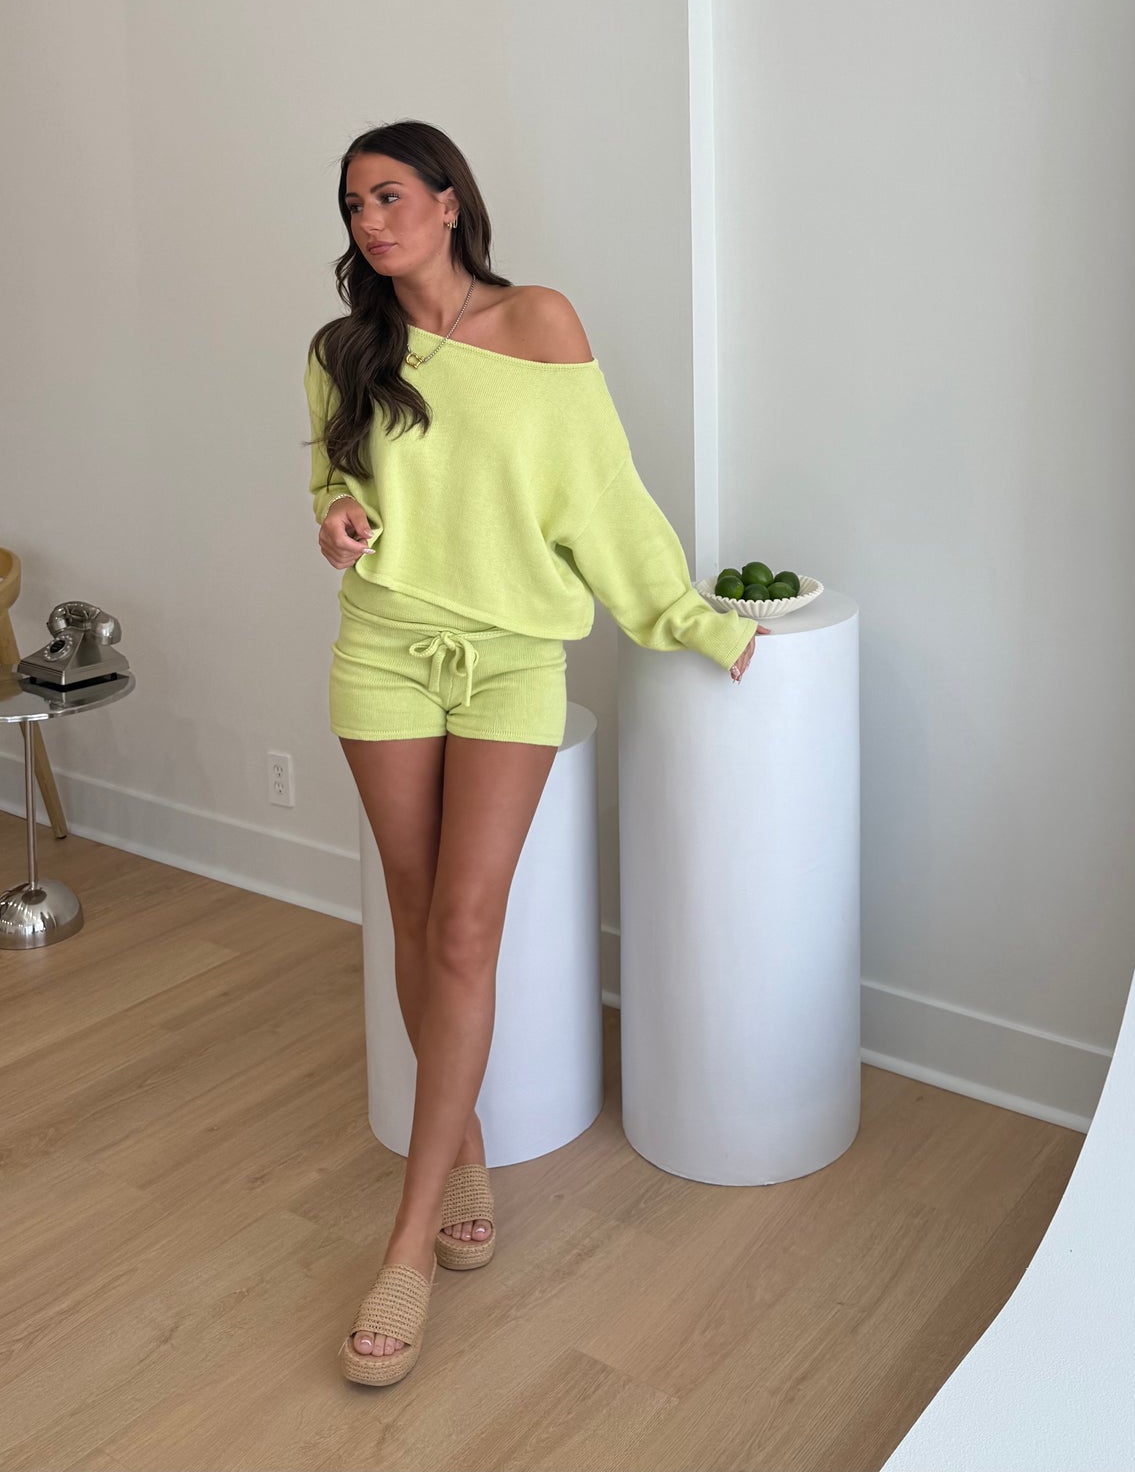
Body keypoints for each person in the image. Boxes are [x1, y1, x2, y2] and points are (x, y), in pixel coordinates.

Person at [305, 120, 768, 1386]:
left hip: (511, 656)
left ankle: (404, 1243)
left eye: (390, 194)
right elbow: (330, 484)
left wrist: (682, 615)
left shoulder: (541, 324)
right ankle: (459, 1156)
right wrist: (336, 517)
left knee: (465, 924)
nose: (371, 221)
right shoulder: (347, 349)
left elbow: (599, 494)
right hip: (385, 649)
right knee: (411, 909)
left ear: (450, 201)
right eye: (353, 204)